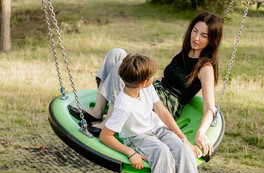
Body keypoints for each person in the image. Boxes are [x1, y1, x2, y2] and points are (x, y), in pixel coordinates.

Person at [68, 11, 223, 157]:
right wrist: (141, 79)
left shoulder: (205, 68)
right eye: (194, 31)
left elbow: (210, 108)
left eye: (203, 35)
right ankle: (97, 111)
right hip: (152, 92)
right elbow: (162, 79)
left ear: (211, 40)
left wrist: (201, 132)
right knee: (116, 54)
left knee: (118, 69)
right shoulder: (180, 51)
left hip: (162, 108)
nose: (196, 38)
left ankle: (107, 123)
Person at [99, 53, 208, 173]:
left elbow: (162, 112)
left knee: (182, 149)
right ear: (144, 81)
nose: (154, 79)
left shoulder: (147, 89)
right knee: (162, 152)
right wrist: (130, 152)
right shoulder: (124, 105)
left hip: (158, 129)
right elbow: (105, 135)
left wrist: (182, 138)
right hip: (138, 137)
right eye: (151, 77)